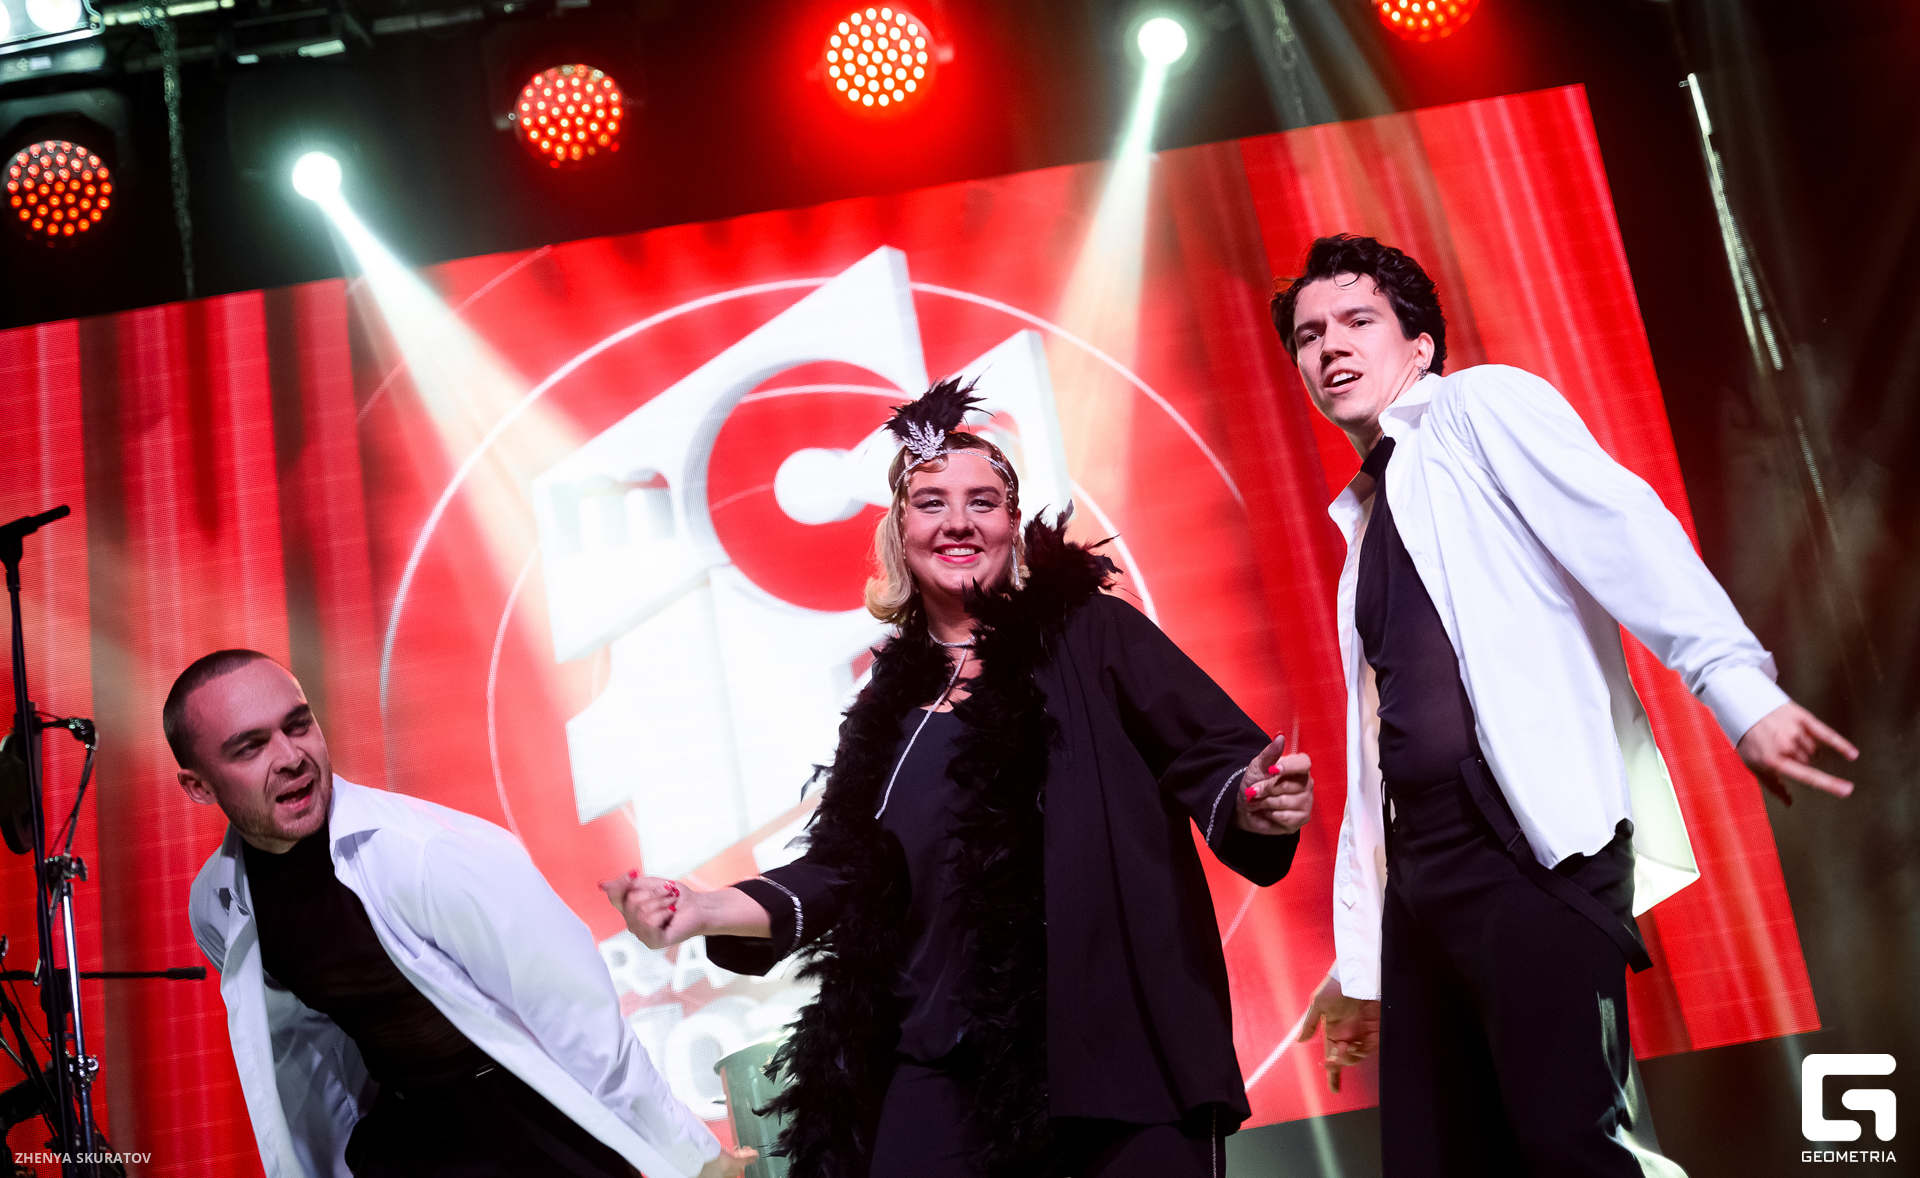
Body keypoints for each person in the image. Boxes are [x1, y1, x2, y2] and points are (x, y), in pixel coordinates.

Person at [600, 378, 1315, 1178]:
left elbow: (1215, 756)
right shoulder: (888, 707)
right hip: (943, 1064)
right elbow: (844, 870)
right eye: (931, 502)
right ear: (898, 531)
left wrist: (1253, 801)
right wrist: (701, 910)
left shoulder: (1093, 637)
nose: (959, 522)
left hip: (1114, 1054)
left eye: (983, 501)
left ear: (1014, 523)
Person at [1272, 235, 1861, 1176]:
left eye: (1356, 320)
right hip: (1422, 881)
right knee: (1435, 1162)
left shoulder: (1475, 407)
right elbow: (1388, 745)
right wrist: (1362, 959)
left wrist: (1735, 687)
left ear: (1419, 345)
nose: (1329, 345)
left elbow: (1623, 530)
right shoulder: (1368, 517)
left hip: (1525, 850)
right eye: (1309, 335)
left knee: (1570, 1147)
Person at [171, 649, 754, 1178]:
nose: (290, 757)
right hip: (408, 1137)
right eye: (250, 747)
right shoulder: (218, 905)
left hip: (530, 1128)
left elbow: (582, 1022)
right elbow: (307, 1046)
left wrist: (696, 1161)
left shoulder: (432, 854)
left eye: (298, 725)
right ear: (199, 787)